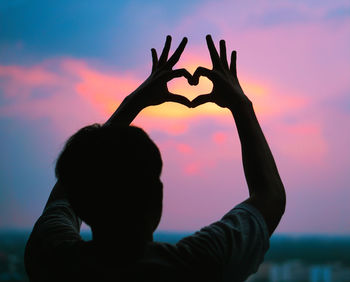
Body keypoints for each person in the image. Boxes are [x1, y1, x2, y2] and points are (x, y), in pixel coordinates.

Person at [24, 35, 286, 282]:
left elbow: (65, 193)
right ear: (157, 196)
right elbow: (269, 197)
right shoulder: (196, 265)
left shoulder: (54, 260)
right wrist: (241, 105)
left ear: (80, 205)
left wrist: (133, 102)